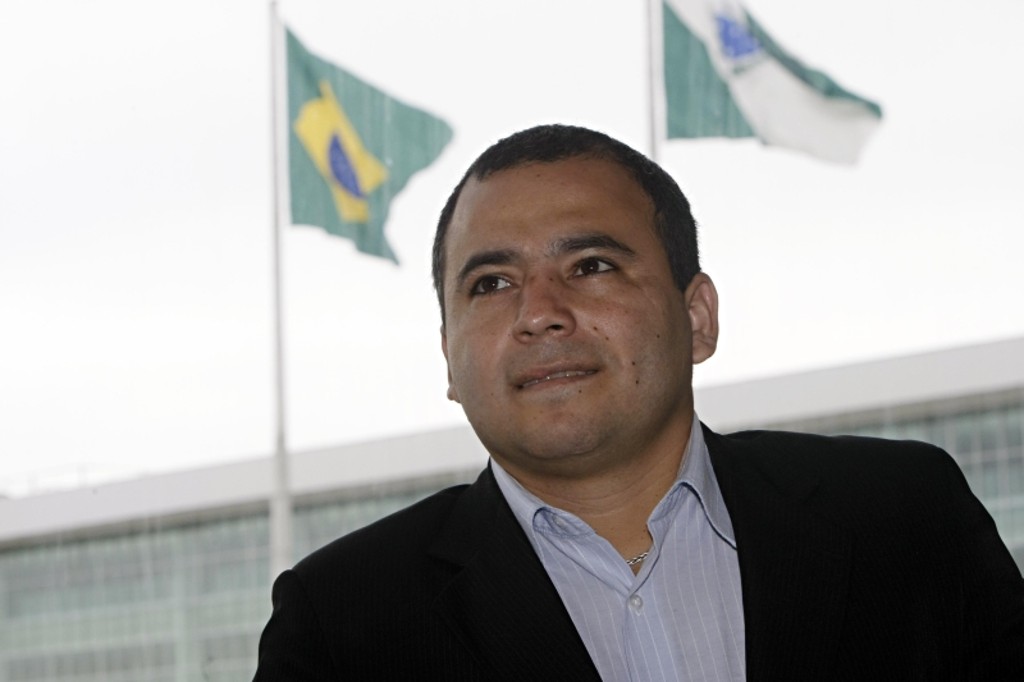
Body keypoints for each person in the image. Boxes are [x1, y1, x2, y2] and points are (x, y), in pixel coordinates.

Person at [254, 125, 1024, 681]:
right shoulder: (342, 622)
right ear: (449, 356)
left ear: (697, 318)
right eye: (491, 284)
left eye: (590, 265)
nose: (539, 313)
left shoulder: (904, 517)